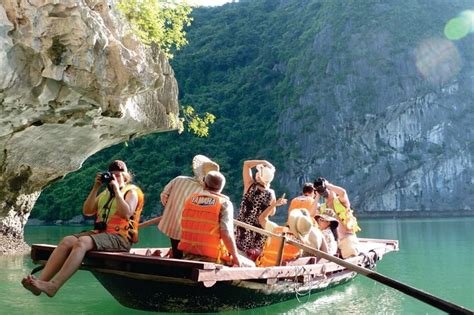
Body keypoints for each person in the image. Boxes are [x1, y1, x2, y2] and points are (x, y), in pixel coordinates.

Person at [21, 160, 144, 297]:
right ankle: (40, 284)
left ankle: (54, 286)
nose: (115, 178)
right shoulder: (104, 194)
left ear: (126, 177)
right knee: (67, 241)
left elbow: (126, 213)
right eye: (112, 175)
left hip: (120, 238)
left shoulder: (132, 192)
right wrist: (95, 188)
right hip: (100, 235)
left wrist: (116, 190)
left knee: (82, 242)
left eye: (119, 175)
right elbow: (87, 211)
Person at [178, 171, 254, 267]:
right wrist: (235, 258)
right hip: (213, 259)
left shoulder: (190, 200)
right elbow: (226, 233)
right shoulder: (224, 204)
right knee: (251, 265)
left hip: (188, 255)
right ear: (221, 187)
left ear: (205, 184)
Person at [157, 155, 219, 259]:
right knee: (189, 257)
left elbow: (164, 198)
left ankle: (177, 267)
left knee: (177, 256)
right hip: (193, 232)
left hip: (173, 226)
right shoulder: (208, 193)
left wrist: (173, 206)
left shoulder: (178, 180)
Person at [235, 160, 280, 259]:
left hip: (242, 233)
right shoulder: (271, 194)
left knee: (240, 256)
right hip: (258, 237)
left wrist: (263, 161)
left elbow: (246, 164)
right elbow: (272, 213)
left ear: (258, 176)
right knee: (253, 259)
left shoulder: (249, 185)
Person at [313, 177, 361, 258]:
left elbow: (343, 192)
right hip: (332, 242)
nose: (325, 191)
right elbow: (312, 213)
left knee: (350, 260)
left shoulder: (340, 201)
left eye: (326, 189)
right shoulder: (323, 207)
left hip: (346, 238)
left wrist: (327, 185)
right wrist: (317, 196)